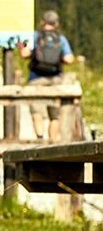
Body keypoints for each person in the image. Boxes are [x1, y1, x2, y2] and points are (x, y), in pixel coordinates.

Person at [25, 10, 76, 141]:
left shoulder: (35, 36)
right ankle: (52, 142)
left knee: (37, 111)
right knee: (55, 115)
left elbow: (24, 54)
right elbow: (69, 58)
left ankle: (40, 139)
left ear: (42, 22)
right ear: (56, 23)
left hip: (36, 78)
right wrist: (59, 59)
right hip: (55, 79)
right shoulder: (60, 39)